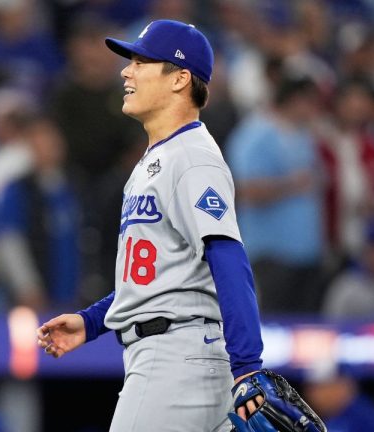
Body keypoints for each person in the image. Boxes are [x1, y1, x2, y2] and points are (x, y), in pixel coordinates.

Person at [36, 19, 308, 431]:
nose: (127, 70)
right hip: (172, 354)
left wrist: (248, 366)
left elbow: (229, 259)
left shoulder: (193, 159)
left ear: (180, 79)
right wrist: (92, 322)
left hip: (177, 360)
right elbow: (163, 277)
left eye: (142, 62)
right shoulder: (156, 160)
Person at [226, 76, 325, 314]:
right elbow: (246, 190)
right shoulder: (256, 134)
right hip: (272, 252)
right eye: (311, 102)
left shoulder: (303, 134)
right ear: (295, 99)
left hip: (306, 252)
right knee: (277, 324)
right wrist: (291, 185)